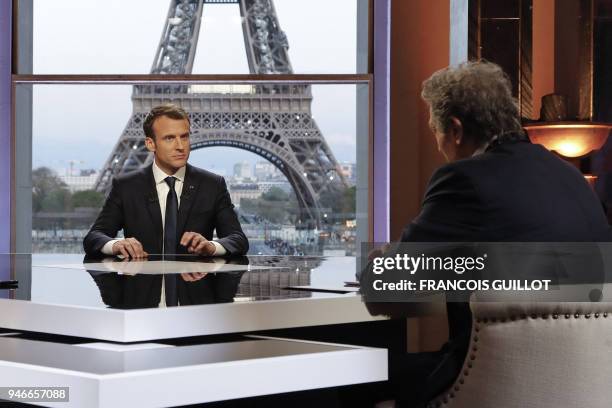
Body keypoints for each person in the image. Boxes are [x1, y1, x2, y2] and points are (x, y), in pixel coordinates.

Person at [389, 61, 610, 406]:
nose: (438, 145)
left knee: (347, 382)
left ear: (456, 129)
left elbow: (389, 291)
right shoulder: (570, 177)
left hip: (485, 387)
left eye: (436, 130)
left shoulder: (463, 180)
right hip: (583, 388)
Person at [83, 103, 249, 259]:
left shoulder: (212, 185)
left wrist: (211, 246)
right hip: (141, 286)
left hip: (195, 285)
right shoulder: (126, 186)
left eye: (184, 137)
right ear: (150, 144)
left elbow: (238, 239)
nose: (180, 146)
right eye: (169, 138)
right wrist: (117, 245)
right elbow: (94, 237)